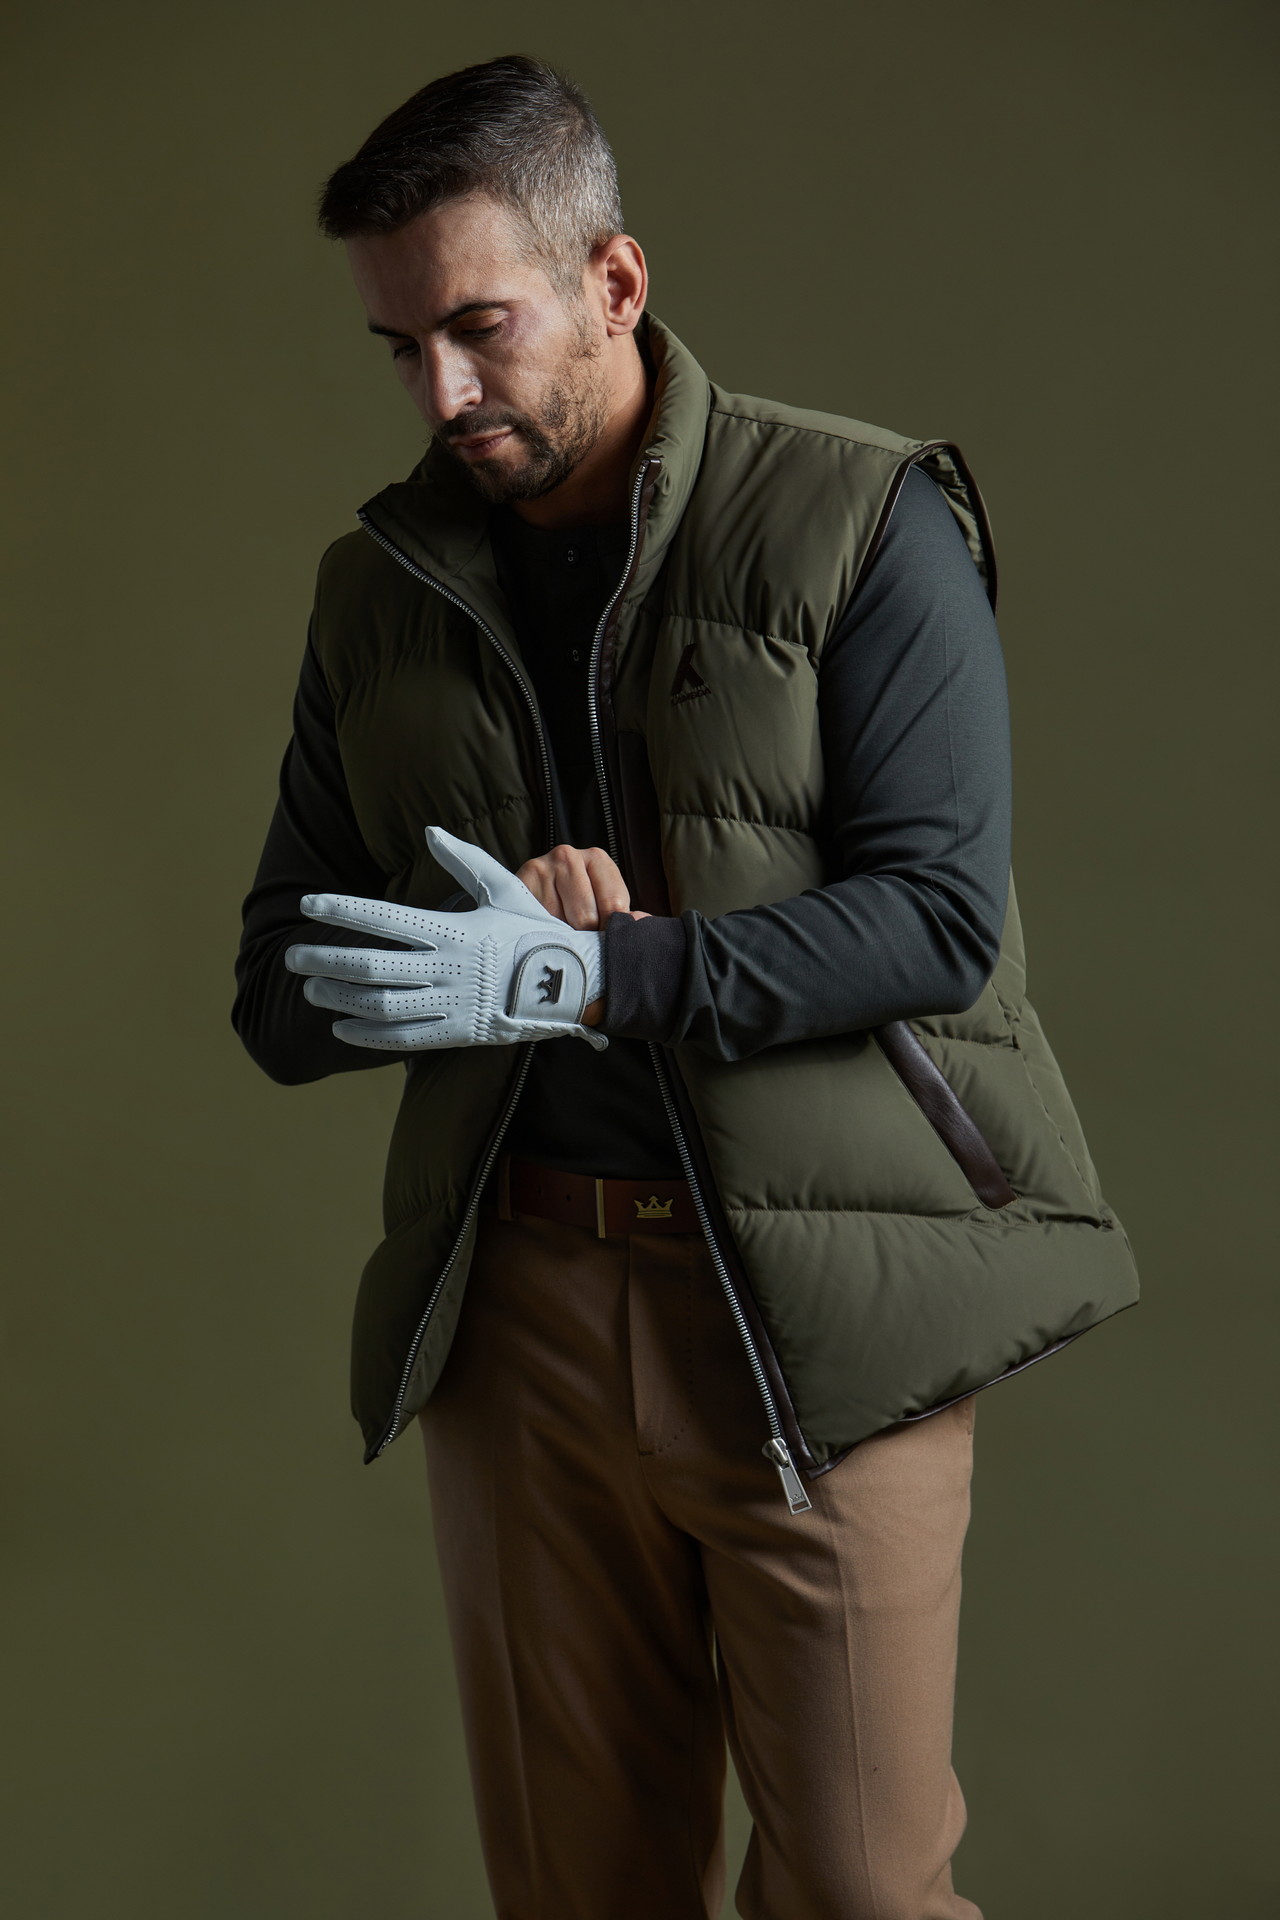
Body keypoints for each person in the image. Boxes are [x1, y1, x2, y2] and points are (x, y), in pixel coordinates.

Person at [233, 52, 1139, 1920]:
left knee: (865, 1891)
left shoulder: (864, 515)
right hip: (523, 1316)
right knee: (576, 1893)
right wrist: (471, 964)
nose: (442, 392)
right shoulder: (375, 591)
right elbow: (275, 988)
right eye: (400, 349)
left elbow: (937, 922)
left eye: (477, 328)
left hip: (822, 1315)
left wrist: (598, 972)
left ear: (615, 281)